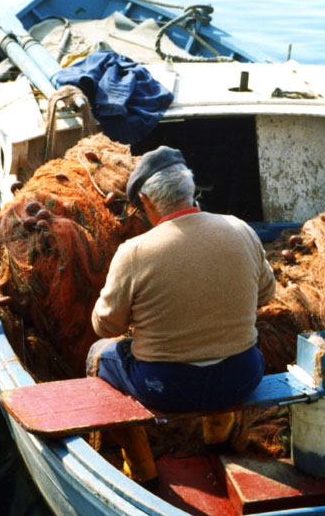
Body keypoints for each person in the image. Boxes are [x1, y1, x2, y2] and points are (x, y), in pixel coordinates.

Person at [87, 145, 276, 480]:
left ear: (145, 202)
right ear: (192, 191)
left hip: (166, 388)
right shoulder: (240, 229)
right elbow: (266, 294)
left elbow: (106, 326)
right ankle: (216, 435)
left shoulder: (134, 253)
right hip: (241, 377)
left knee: (98, 355)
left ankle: (141, 465)